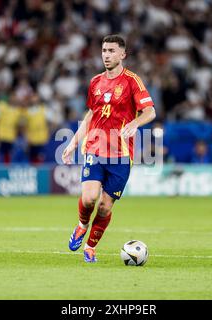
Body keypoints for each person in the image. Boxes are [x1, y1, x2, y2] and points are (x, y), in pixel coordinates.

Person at [62, 35, 156, 263]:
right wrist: (73, 142)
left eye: (112, 51)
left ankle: (91, 247)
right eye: (104, 50)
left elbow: (150, 112)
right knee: (89, 199)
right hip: (94, 148)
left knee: (104, 207)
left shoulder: (132, 81)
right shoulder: (95, 82)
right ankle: (82, 225)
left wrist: (135, 123)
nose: (106, 55)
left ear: (123, 54)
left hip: (121, 155)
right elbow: (91, 114)